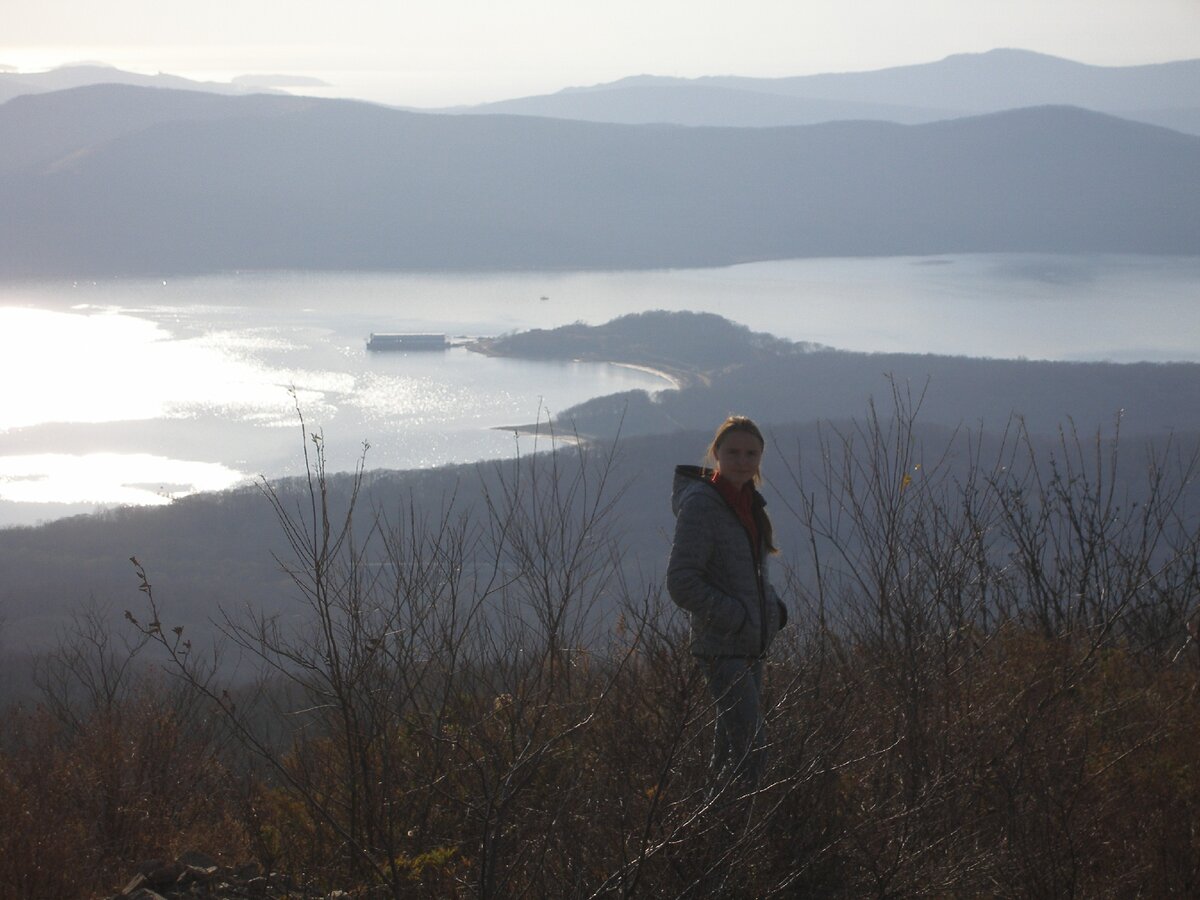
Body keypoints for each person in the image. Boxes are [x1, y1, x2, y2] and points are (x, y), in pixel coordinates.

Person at [667, 415, 788, 790]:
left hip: (749, 644)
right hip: (723, 646)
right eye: (733, 452)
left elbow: (749, 575)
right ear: (716, 453)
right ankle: (737, 835)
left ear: (760, 458)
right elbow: (681, 582)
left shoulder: (749, 504)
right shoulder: (703, 504)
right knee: (752, 754)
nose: (742, 460)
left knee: (729, 755)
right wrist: (736, 617)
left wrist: (773, 610)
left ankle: (711, 832)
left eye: (751, 453)